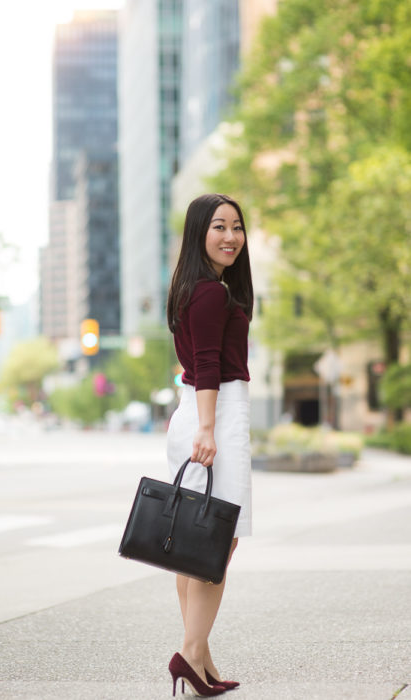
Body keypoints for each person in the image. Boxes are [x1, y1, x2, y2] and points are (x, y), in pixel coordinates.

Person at [166, 193, 253, 697]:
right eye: (219, 226)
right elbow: (206, 364)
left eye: (238, 227)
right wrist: (204, 427)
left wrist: (190, 420)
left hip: (200, 413)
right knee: (218, 540)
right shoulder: (211, 293)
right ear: (199, 232)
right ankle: (190, 652)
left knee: (198, 543)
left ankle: (201, 660)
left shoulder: (192, 289)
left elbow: (193, 364)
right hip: (216, 416)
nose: (230, 236)